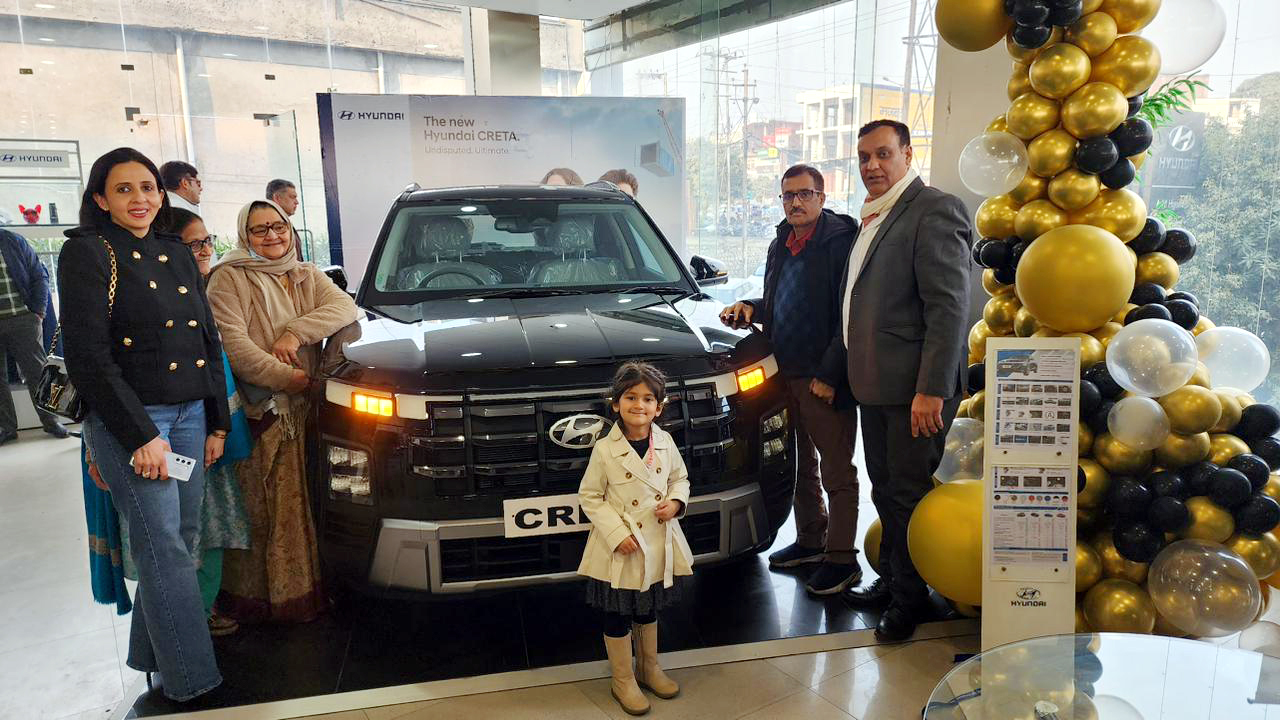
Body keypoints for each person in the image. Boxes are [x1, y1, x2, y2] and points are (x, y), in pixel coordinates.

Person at [59, 147, 230, 702]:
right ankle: (193, 683)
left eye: (149, 187)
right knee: (163, 548)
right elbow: (88, 357)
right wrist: (141, 437)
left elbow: (207, 340)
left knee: (181, 539)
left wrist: (217, 423)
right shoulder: (88, 252)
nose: (140, 199)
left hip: (189, 415)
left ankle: (152, 654)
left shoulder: (174, 249)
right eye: (124, 189)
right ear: (100, 198)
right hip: (135, 423)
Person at [839, 120, 972, 642]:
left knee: (908, 495)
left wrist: (931, 389)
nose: (871, 165)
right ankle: (895, 579)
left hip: (916, 391)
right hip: (876, 385)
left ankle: (910, 601)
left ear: (908, 154)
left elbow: (949, 307)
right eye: (864, 157)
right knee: (887, 490)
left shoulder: (934, 209)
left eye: (883, 154)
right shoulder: (876, 214)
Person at [207, 198, 357, 623]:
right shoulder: (228, 278)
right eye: (260, 230)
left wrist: (294, 332)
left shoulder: (303, 272)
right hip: (263, 412)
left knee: (299, 510)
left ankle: (299, 596)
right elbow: (234, 347)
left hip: (303, 410)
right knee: (262, 511)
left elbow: (344, 308)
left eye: (279, 226)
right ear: (244, 235)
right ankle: (254, 604)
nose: (272, 235)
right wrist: (288, 379)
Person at [719, 164, 861, 596]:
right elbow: (783, 300)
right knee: (800, 464)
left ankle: (842, 558)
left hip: (823, 378)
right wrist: (751, 307)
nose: (795, 202)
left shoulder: (841, 242)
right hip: (785, 373)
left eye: (804, 194)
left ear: (822, 196)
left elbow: (850, 313)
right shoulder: (781, 241)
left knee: (837, 471)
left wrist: (830, 373)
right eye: (788, 195)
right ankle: (810, 540)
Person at [578, 361, 691, 716]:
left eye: (647, 399)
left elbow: (680, 479)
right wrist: (617, 534)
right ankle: (623, 679)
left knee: (647, 609)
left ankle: (648, 667)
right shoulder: (604, 449)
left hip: (655, 543)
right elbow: (589, 496)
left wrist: (676, 502)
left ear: (658, 407)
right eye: (630, 397)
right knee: (617, 613)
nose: (638, 405)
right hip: (621, 548)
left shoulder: (665, 442)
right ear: (616, 404)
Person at [170, 207, 253, 636]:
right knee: (183, 531)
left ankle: (199, 613)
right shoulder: (160, 298)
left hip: (210, 438)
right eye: (194, 244)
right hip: (174, 440)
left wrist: (219, 430)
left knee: (210, 526)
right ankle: (185, 624)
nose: (205, 251)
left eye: (207, 241)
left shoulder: (201, 290)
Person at [0, 227, 69, 442]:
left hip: (23, 318)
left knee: (38, 372)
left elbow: (39, 275)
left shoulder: (12, 241)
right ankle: (6, 428)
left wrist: (38, 310)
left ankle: (52, 422)